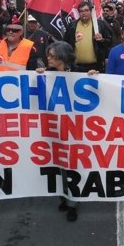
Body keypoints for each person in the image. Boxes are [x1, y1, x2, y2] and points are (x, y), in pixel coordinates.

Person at [35, 41, 80, 221]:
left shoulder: (79, 73)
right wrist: (38, 76)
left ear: (62, 56)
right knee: (59, 164)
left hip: (76, 127)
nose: (49, 58)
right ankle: (64, 197)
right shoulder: (47, 74)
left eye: (52, 56)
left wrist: (94, 77)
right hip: (55, 127)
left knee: (73, 167)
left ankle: (73, 203)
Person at [64, 1, 112, 72]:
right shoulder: (72, 25)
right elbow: (66, 43)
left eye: (86, 10)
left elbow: (110, 42)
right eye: (81, 11)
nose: (83, 13)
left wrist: (102, 40)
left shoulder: (99, 25)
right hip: (77, 67)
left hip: (95, 66)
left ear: (90, 11)